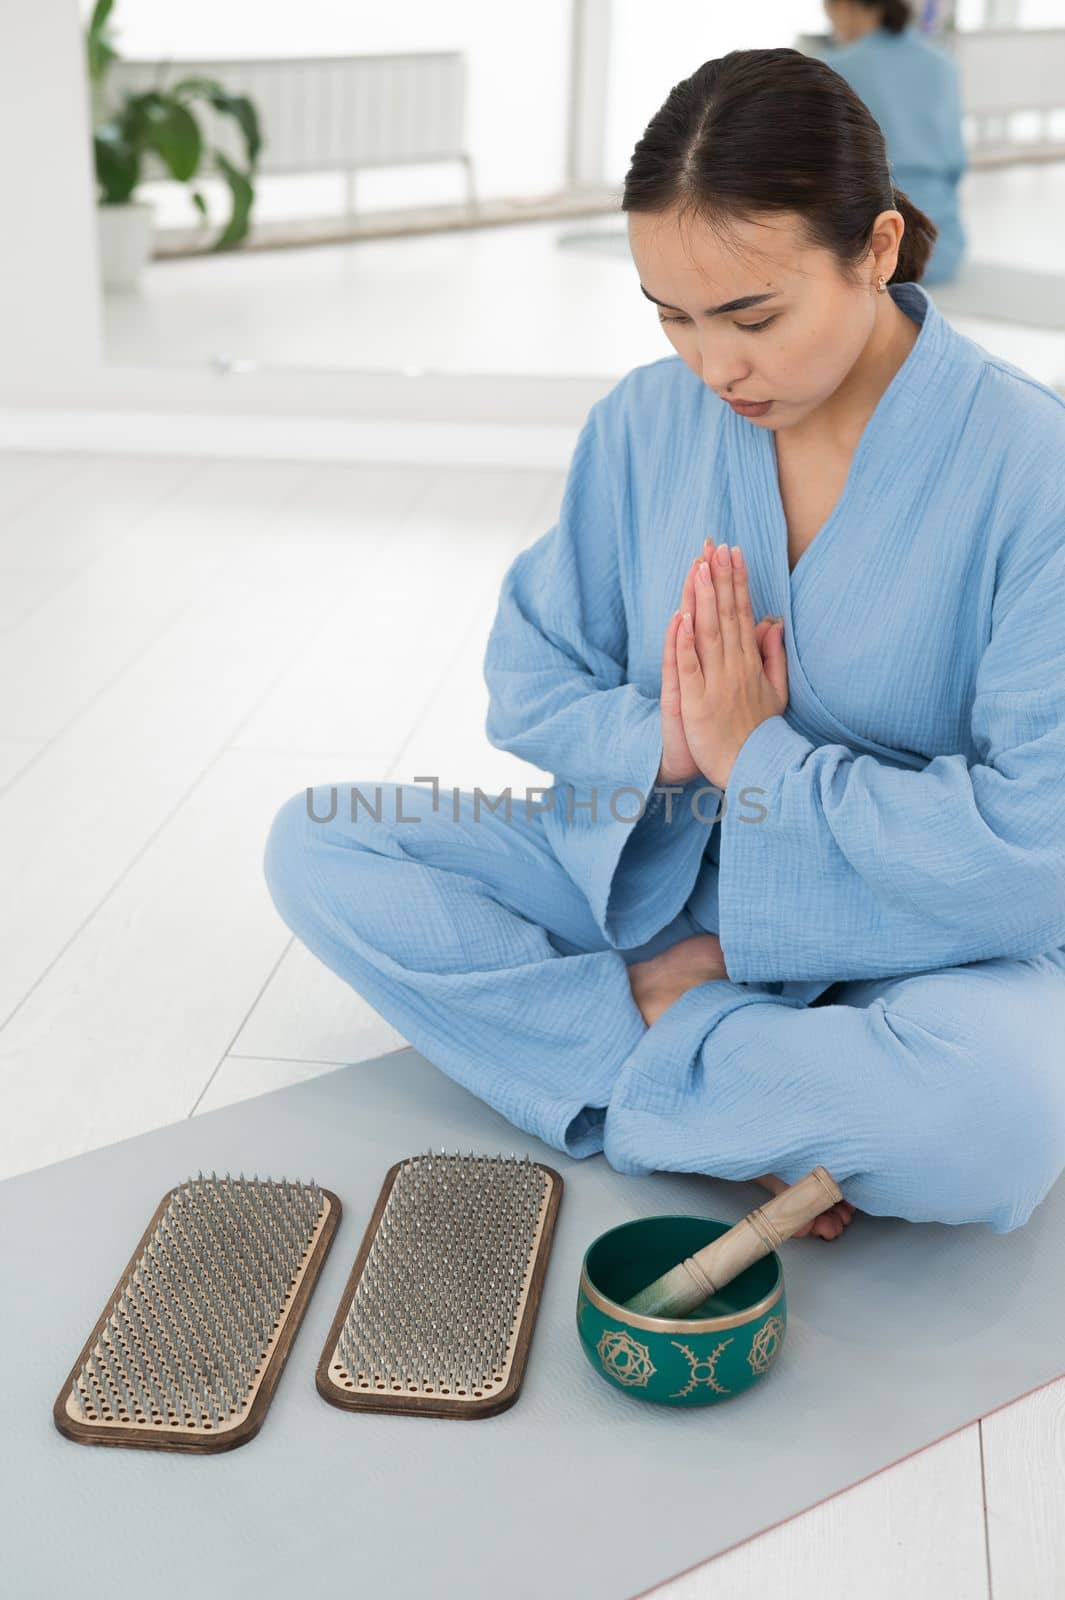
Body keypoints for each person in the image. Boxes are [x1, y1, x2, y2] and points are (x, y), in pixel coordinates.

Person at [263, 49, 1065, 1241]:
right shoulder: (643, 422)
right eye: (673, 317)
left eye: (753, 316)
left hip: (912, 937)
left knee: (992, 1126)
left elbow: (1035, 851)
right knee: (322, 848)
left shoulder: (1028, 468)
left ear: (878, 249)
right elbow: (529, 673)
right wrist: (676, 746)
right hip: (655, 874)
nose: (715, 365)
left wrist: (765, 761)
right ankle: (745, 1086)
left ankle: (646, 1050)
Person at [822, 0, 967, 283]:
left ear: (844, 6)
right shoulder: (943, 65)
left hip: (870, 249)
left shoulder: (836, 68)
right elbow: (956, 162)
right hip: (942, 247)